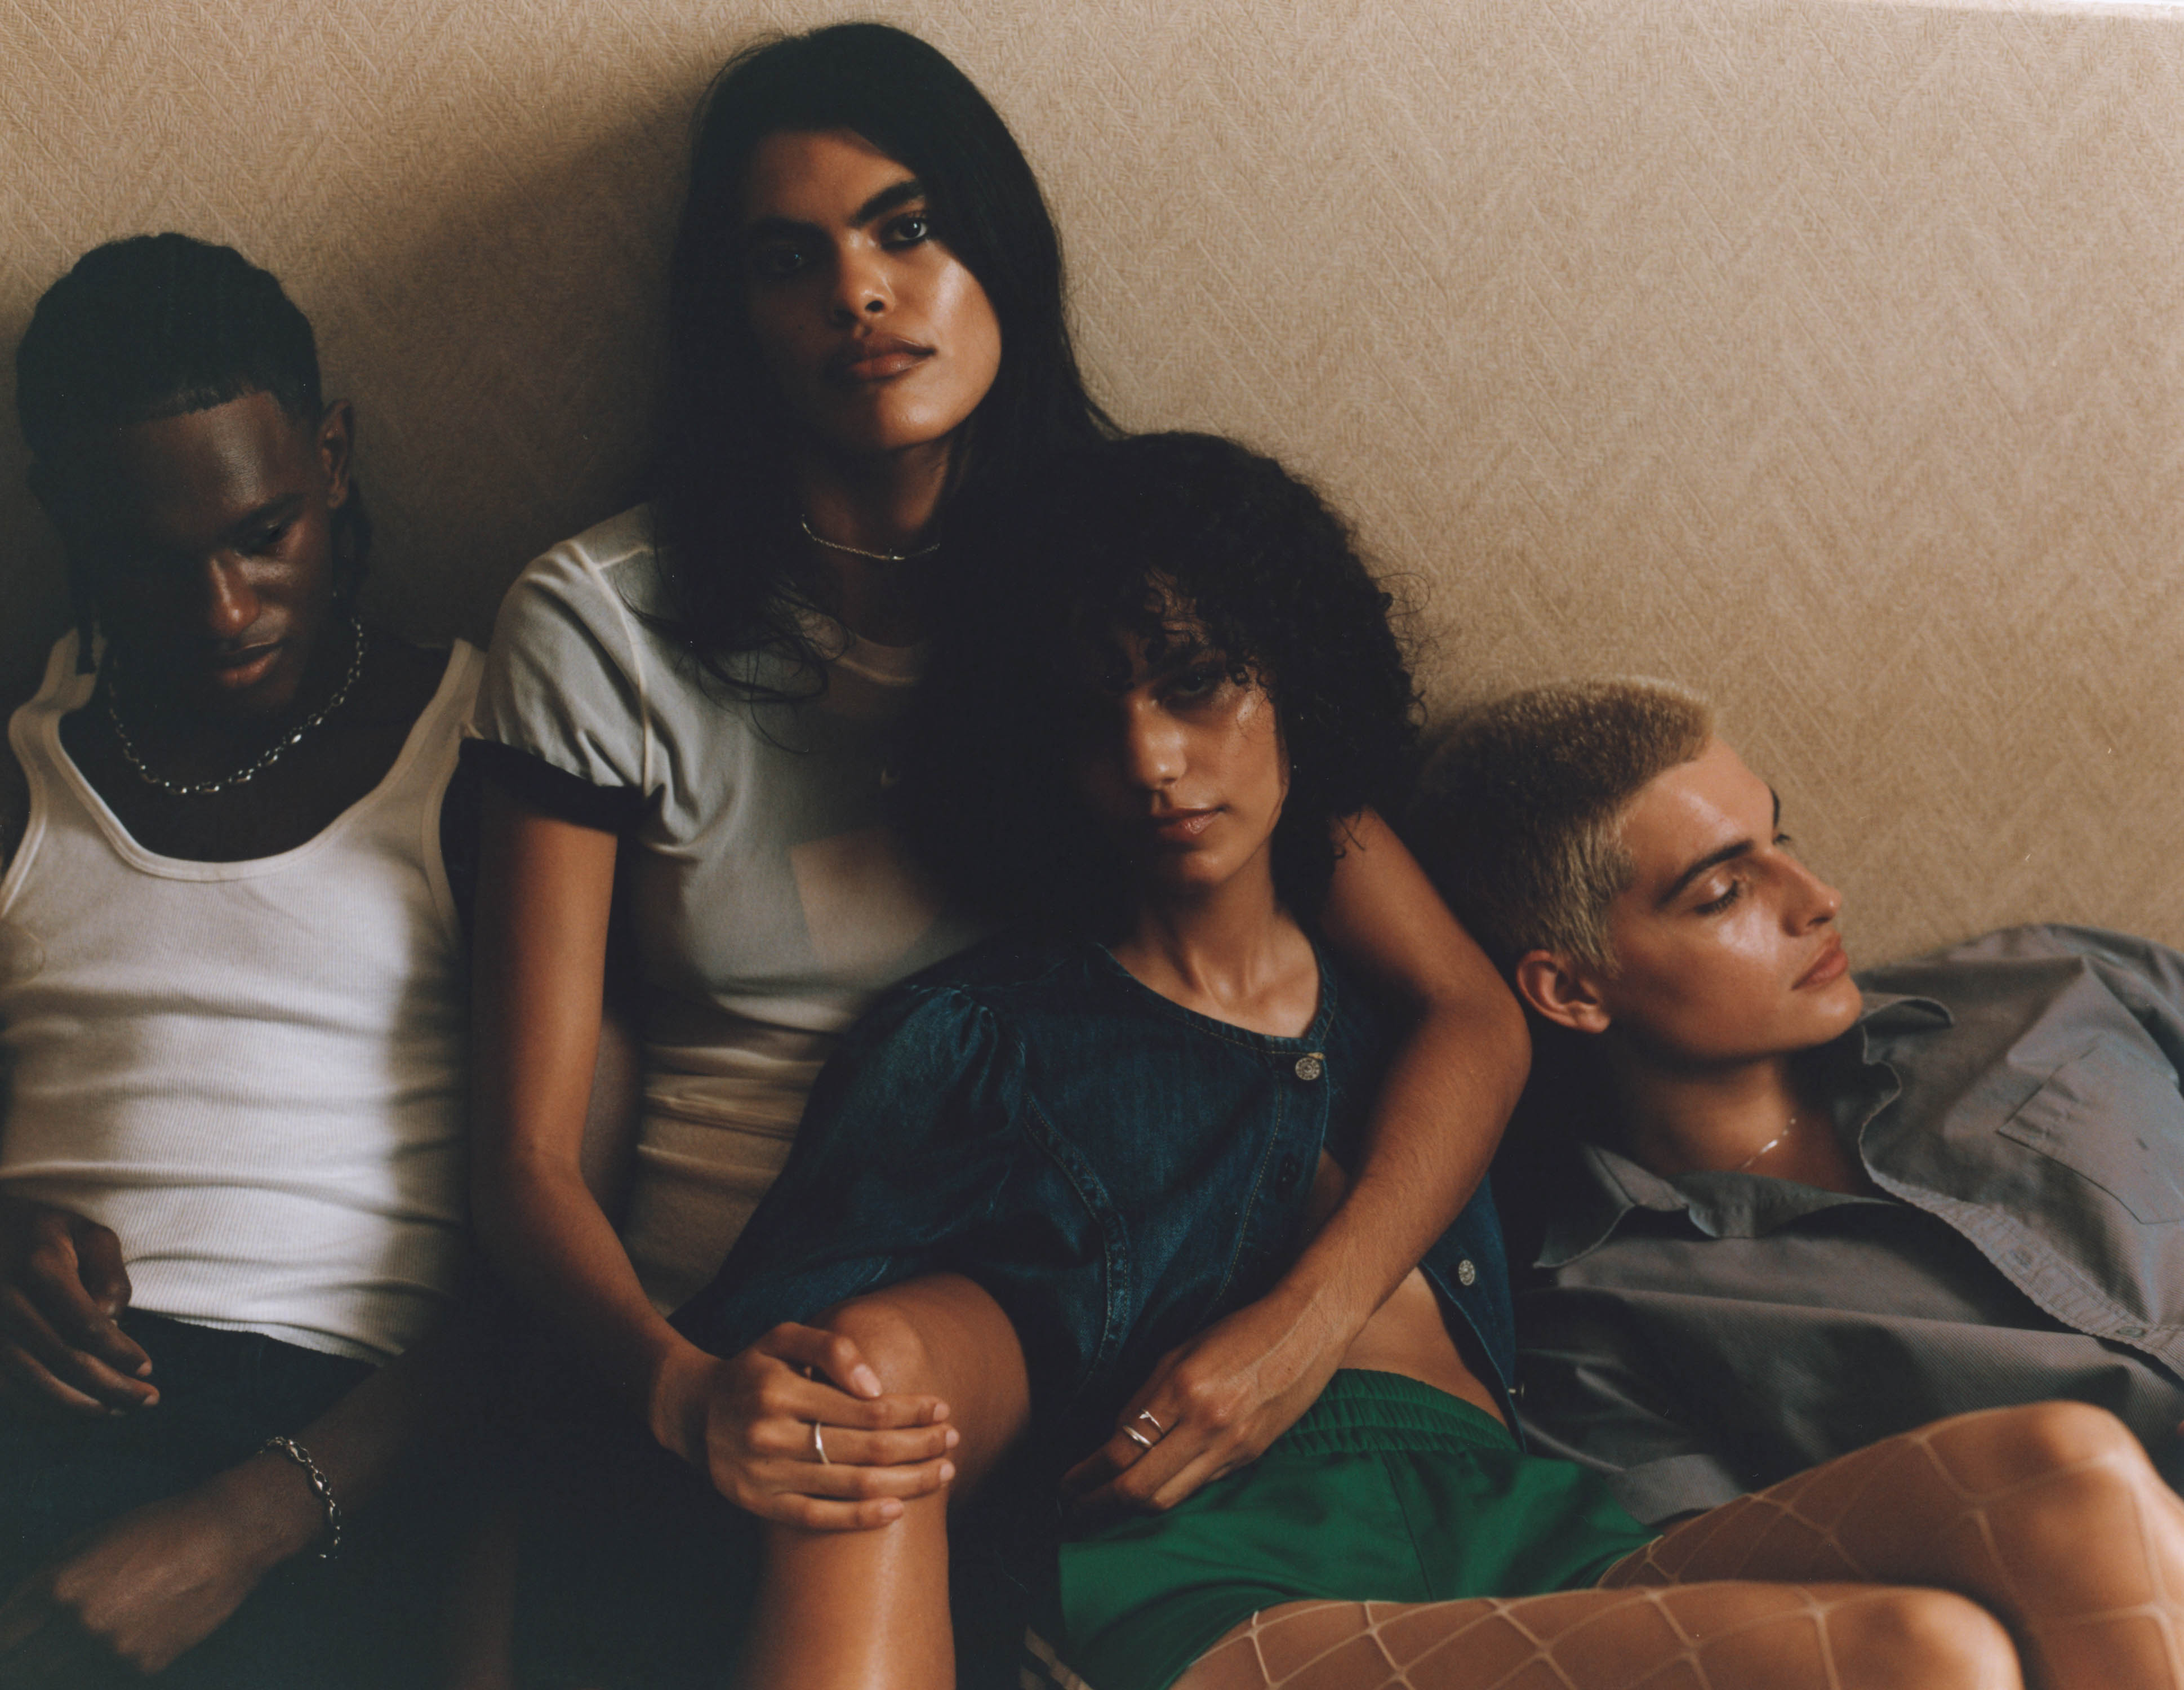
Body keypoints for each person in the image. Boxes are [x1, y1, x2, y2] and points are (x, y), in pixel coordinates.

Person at [680, 433, 2184, 1690]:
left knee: (2068, 1473)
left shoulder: (1419, 1007)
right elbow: (793, 1366)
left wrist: (1298, 1323)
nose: (1150, 760)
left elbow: (1481, 1010)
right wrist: (723, 1397)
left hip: (1528, 1527)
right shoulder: (984, 1036)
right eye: (1092, 720)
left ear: (1291, 683)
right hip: (1240, 1576)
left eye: (1200, 685)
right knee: (1924, 1660)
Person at [464, 21, 1528, 1662]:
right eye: (788, 259)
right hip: (769, 1329)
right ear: (730, 315)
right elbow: (528, 1159)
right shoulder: (605, 624)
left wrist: (1298, 1329)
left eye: (907, 227)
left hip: (1125, 1298)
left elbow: (1466, 1008)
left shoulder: (1136, 578)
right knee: (854, 1403)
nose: (860, 294)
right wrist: (678, 1391)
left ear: (1001, 253)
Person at [0, 233, 486, 1684]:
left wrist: (244, 1527)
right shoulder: (26, 781)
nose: (224, 610)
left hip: (336, 1452)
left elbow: (562, 1242)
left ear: (330, 460)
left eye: (263, 533)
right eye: (154, 563)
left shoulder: (481, 752)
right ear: (64, 518)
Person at [1407, 677, 2184, 1527]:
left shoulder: (2051, 984)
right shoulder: (1599, 1333)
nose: (1819, 898)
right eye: (1722, 893)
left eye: (1780, 839)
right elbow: (1755, 1587)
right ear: (1571, 990)